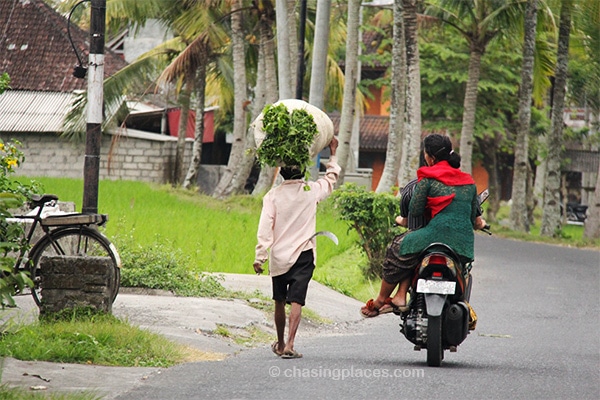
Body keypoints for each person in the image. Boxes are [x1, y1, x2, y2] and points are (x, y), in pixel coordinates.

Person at [361, 134, 486, 317]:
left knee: (399, 248)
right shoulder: (468, 181)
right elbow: (475, 218)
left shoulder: (427, 177)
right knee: (462, 268)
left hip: (433, 235)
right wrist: (480, 223)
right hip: (463, 245)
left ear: (430, 157)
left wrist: (402, 220)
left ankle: (380, 300)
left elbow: (415, 210)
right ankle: (406, 297)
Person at [253, 136, 340, 359]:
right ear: (303, 171)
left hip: (279, 257)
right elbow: (330, 179)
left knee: (279, 301)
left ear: (281, 173)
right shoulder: (311, 191)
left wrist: (260, 256)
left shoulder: (272, 196)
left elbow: (265, 228)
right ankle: (291, 344)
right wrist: (333, 153)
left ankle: (281, 343)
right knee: (297, 300)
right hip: (303, 255)